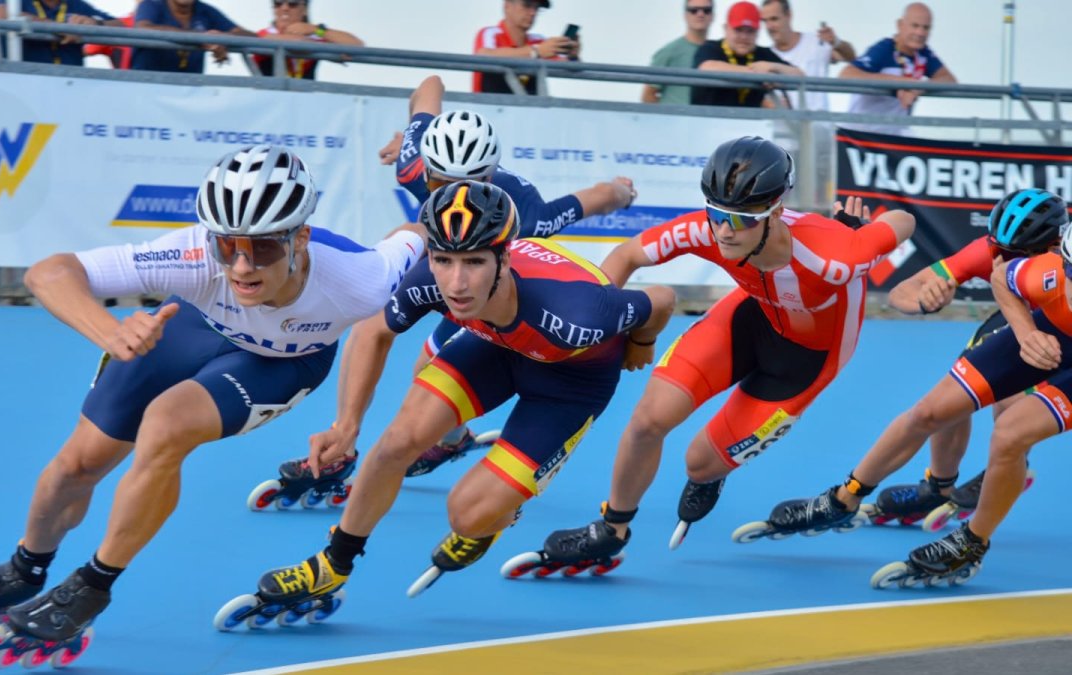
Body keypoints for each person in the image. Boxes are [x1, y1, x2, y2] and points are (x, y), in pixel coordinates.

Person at [0, 146, 425, 666]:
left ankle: (92, 586)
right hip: (188, 329)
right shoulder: (189, 257)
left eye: (262, 247)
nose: (240, 266)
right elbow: (48, 272)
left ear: (300, 237)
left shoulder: (362, 278)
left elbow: (416, 237)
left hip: (283, 361)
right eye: (226, 245)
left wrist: (348, 422)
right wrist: (110, 331)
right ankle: (24, 569)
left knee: (166, 424)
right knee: (77, 464)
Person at [230, 181, 676, 613]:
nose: (457, 283)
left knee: (466, 516)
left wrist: (641, 343)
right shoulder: (432, 277)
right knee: (394, 445)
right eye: (444, 260)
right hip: (497, 349)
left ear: (504, 256)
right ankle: (333, 564)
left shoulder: (578, 315)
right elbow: (372, 331)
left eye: (475, 263)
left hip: (570, 384)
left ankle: (495, 516)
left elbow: (661, 298)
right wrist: (345, 426)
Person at [509, 136, 914, 572]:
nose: (724, 231)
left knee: (699, 465)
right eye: (717, 213)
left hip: (806, 359)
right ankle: (612, 530)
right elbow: (627, 256)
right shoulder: (706, 228)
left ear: (775, 212)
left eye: (740, 220)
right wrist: (598, 329)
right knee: (648, 421)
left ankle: (711, 475)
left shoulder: (835, 256)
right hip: (748, 319)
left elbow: (903, 220)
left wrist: (864, 235)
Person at [366, 74, 637, 477]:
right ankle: (453, 440)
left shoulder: (524, 216)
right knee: (424, 368)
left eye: (470, 186)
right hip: (456, 275)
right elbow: (430, 85)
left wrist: (620, 191)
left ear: (489, 179)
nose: (454, 199)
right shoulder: (413, 165)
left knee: (429, 364)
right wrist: (408, 132)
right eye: (439, 184)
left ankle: (460, 438)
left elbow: (589, 201)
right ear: (427, 170)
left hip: (500, 290)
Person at [870, 223, 1072, 588]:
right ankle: (971, 542)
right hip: (1057, 334)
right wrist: (1026, 334)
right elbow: (1003, 279)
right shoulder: (1045, 272)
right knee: (1007, 431)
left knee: (1014, 427)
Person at [839, 2, 957, 136]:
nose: (920, 33)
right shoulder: (884, 48)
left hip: (893, 141)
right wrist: (900, 83)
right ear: (900, 25)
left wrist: (919, 87)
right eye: (915, 26)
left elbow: (949, 80)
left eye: (926, 28)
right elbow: (846, 74)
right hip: (859, 137)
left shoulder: (924, 53)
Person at [691, 1, 802, 108]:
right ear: (725, 29)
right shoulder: (710, 47)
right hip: (708, 124)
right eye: (738, 30)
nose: (744, 37)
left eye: (750, 31)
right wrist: (757, 74)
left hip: (750, 126)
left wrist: (773, 67)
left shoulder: (763, 55)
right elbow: (707, 67)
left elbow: (799, 76)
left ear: (758, 33)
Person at [759, 0, 854, 112]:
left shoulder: (816, 42)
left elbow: (850, 57)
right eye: (765, 21)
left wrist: (836, 42)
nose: (769, 26)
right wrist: (766, 103)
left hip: (819, 125)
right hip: (783, 127)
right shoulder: (764, 56)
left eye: (774, 19)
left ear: (789, 15)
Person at [472, 0, 577, 95]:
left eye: (537, 8)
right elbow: (484, 55)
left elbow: (567, 67)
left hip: (528, 111)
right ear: (507, 5)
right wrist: (535, 52)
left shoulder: (539, 41)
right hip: (488, 109)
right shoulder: (490, 33)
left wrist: (573, 56)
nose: (533, 13)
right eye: (527, 5)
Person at [129, 0, 255, 74]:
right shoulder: (152, 4)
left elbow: (250, 36)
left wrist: (221, 38)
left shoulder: (205, 11)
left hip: (189, 95)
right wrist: (200, 38)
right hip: (147, 88)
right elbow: (143, 28)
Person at [0, 0, 123, 67]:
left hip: (71, 86)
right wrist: (56, 27)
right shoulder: (16, 2)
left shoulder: (75, 4)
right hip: (25, 84)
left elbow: (120, 27)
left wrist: (94, 23)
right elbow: (1, 15)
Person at [641, 0, 715, 106]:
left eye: (706, 10)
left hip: (707, 119)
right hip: (675, 120)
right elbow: (648, 95)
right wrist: (668, 117)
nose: (700, 14)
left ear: (713, 16)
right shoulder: (669, 52)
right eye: (693, 10)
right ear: (685, 15)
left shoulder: (718, 51)